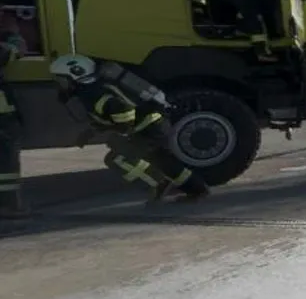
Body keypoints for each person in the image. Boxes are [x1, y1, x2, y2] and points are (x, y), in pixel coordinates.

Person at [49, 55, 210, 204]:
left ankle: (160, 183)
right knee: (163, 160)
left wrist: (121, 132)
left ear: (75, 74)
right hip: (154, 123)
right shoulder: (94, 88)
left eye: (61, 79)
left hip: (148, 126)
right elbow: (108, 117)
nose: (59, 84)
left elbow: (123, 111)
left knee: (118, 159)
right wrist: (92, 132)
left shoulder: (92, 94)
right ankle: (197, 190)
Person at [0, 11, 29, 218]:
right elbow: (18, 50)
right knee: (7, 163)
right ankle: (10, 206)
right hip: (3, 117)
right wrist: (13, 32)